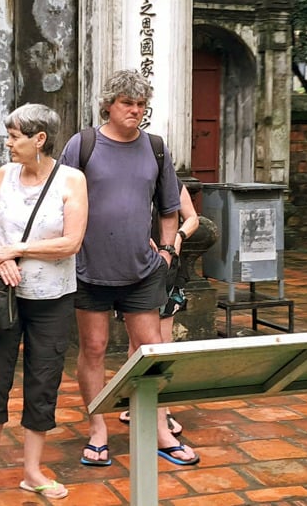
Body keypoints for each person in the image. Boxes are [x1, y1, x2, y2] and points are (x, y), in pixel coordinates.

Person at [58, 69, 199, 466]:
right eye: (127, 103)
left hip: (142, 270)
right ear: (108, 104)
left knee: (150, 351)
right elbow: (59, 202)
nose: (135, 111)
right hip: (89, 268)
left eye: (140, 104)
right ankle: (98, 429)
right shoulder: (82, 145)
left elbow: (170, 208)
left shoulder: (154, 147)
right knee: (94, 348)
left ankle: (157, 430)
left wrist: (168, 251)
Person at [0, 104, 88, 502]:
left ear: (40, 139)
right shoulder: (4, 175)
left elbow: (71, 243)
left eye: (15, 135)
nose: (8, 142)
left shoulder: (72, 180)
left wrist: (16, 249)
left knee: (43, 381)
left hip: (52, 298)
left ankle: (32, 470)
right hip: (2, 295)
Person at [118, 179, 199, 435]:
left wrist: (177, 237)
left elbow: (192, 218)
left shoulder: (171, 182)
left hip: (166, 272)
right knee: (135, 344)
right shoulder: (125, 180)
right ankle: (138, 403)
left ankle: (160, 410)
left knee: (161, 344)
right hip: (133, 269)